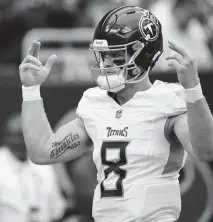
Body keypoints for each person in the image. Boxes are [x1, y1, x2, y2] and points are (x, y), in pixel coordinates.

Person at [19, 5, 213, 222]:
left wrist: (193, 90)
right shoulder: (95, 103)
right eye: (103, 55)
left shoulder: (168, 99)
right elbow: (42, 152)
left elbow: (206, 151)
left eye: (116, 55)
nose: (107, 64)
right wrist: (31, 90)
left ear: (144, 55)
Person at [0, 112, 66, 222]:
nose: (23, 140)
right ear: (6, 137)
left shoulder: (44, 166)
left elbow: (57, 211)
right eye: (18, 135)